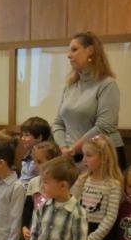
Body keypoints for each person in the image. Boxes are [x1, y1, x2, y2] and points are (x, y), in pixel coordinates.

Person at [53, 32, 126, 170]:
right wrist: (64, 148)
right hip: (70, 156)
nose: (69, 55)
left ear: (90, 51)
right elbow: (58, 124)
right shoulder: (70, 86)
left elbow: (104, 126)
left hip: (101, 157)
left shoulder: (107, 84)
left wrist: (74, 149)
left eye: (74, 50)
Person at [19, 116, 52, 185]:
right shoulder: (27, 154)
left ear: (39, 137)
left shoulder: (46, 156)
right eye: (22, 135)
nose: (22, 138)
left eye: (26, 135)